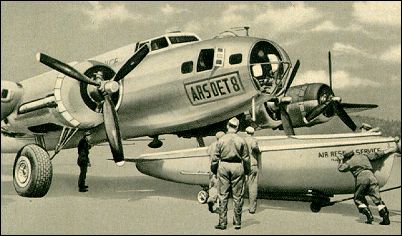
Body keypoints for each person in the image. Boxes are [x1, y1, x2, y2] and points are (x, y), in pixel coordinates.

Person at [337, 142, 400, 225]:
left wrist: (340, 160)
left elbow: (341, 169)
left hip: (361, 177)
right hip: (371, 176)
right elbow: (377, 155)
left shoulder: (349, 162)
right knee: (377, 199)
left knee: (358, 198)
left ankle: (369, 216)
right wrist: (391, 150)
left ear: (347, 157)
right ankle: (385, 219)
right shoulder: (364, 156)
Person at [211, 117, 250, 230]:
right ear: (237, 128)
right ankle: (237, 222)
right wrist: (246, 172)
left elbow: (215, 158)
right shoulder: (241, 140)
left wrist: (214, 170)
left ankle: (222, 223)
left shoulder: (221, 140)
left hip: (223, 166)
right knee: (238, 196)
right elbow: (246, 158)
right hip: (237, 166)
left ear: (227, 126)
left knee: (223, 196)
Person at [244, 126, 261, 214]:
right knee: (253, 186)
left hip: (243, 165)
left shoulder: (242, 141)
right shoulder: (254, 140)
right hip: (253, 165)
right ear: (253, 133)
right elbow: (255, 147)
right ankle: (252, 208)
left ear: (245, 132)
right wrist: (259, 152)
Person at [207, 131, 225, 213]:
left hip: (212, 168)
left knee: (213, 186)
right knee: (221, 188)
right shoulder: (223, 145)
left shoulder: (212, 145)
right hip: (220, 168)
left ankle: (211, 199)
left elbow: (207, 152)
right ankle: (219, 206)